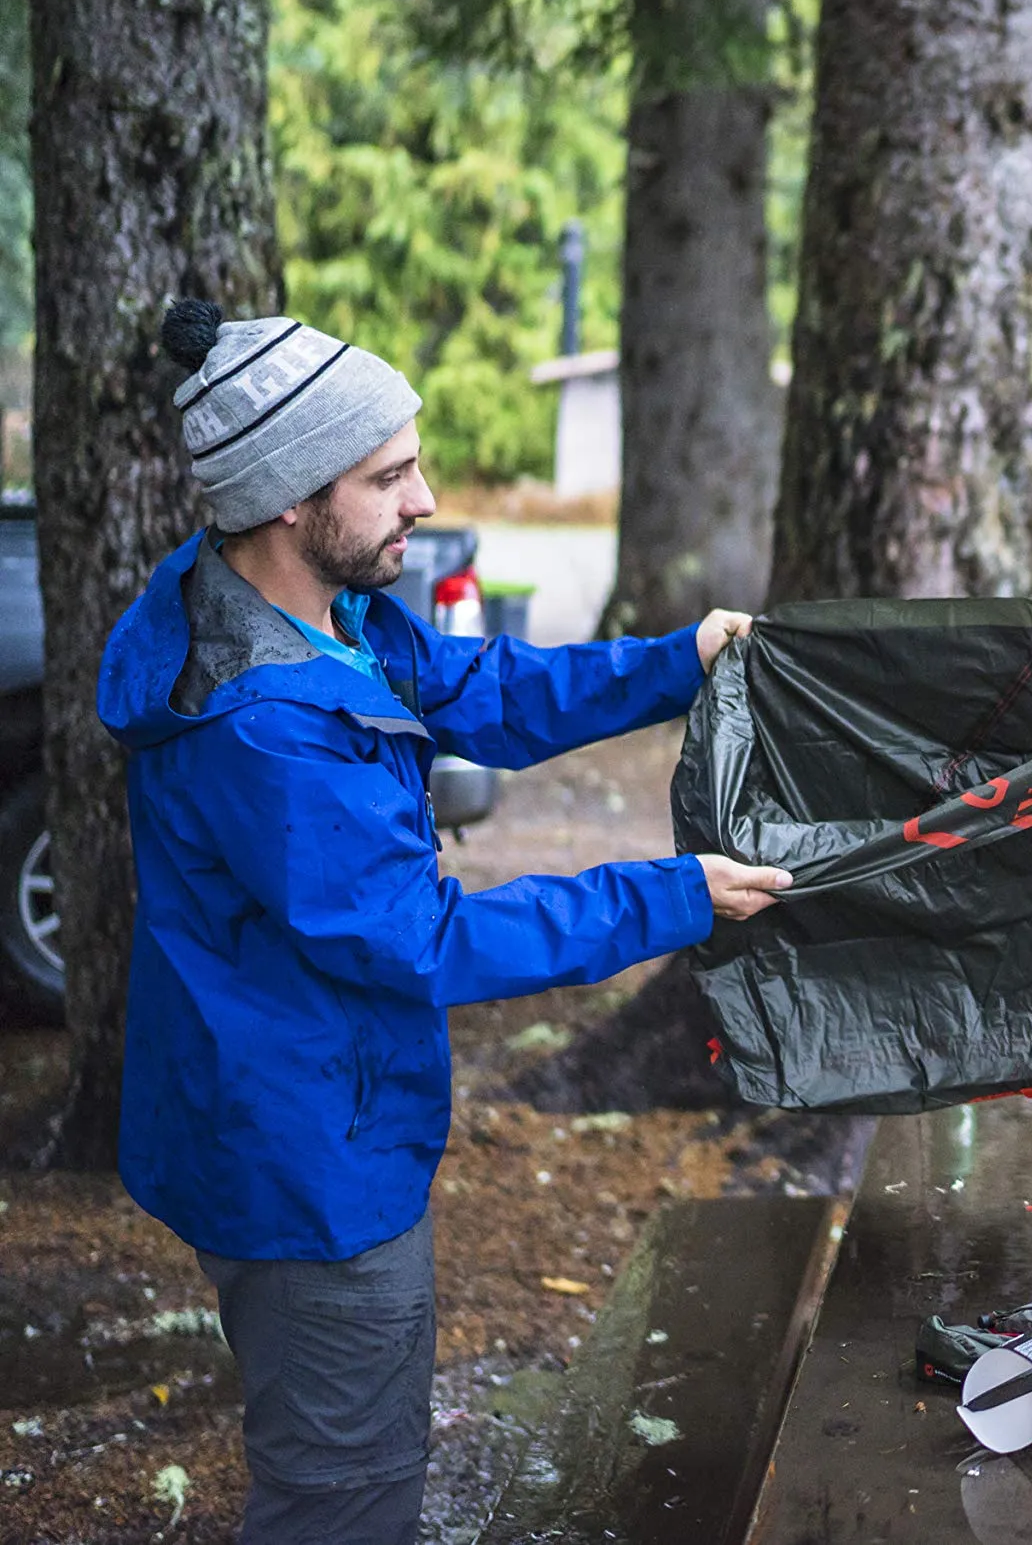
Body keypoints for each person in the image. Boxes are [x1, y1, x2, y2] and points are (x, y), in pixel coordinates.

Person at [97, 300, 795, 1545]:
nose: (423, 499)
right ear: (288, 502)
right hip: (305, 1166)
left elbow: (487, 690)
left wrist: (675, 662)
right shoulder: (264, 727)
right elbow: (426, 939)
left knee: (360, 1464)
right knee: (342, 1500)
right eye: (390, 475)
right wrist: (675, 894)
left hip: (318, 1117)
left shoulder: (321, 615)